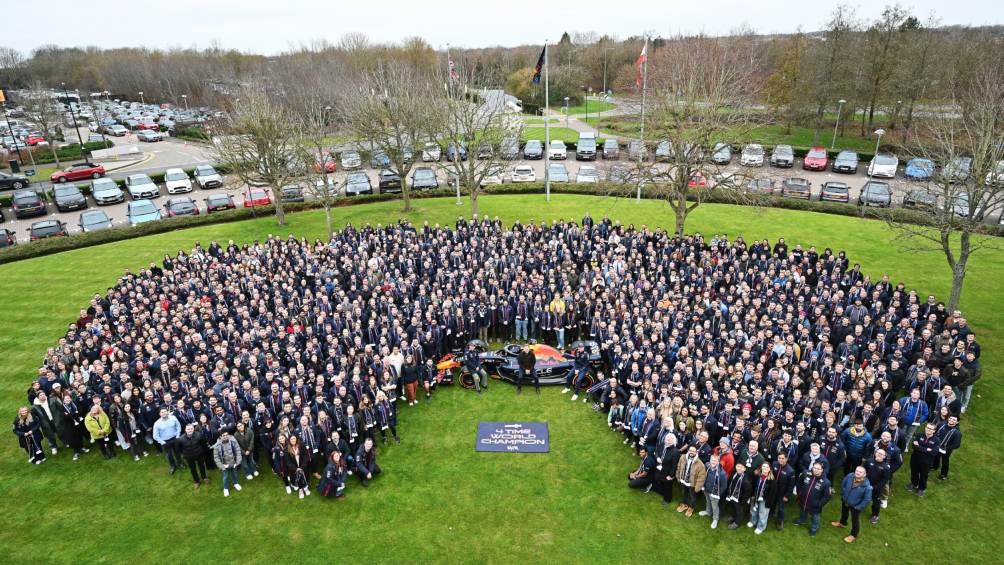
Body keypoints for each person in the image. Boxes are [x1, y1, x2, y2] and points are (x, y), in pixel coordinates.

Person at [833, 466, 873, 543]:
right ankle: (842, 523)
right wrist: (843, 494)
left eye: (860, 472)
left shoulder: (867, 487)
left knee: (855, 520)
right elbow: (843, 484)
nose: (857, 472)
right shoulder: (850, 476)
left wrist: (859, 507)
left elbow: (867, 499)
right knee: (844, 512)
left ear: (864, 474)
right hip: (845, 500)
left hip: (856, 506)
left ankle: (853, 535)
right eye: (856, 470)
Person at [794, 461, 832, 536]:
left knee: (815, 517)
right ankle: (802, 520)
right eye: (814, 468)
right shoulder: (805, 473)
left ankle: (814, 528)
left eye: (818, 469)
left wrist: (819, 504)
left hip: (815, 505)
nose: (815, 470)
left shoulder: (826, 482)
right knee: (802, 511)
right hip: (803, 500)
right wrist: (799, 493)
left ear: (822, 470)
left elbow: (827, 496)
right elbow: (799, 483)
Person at [907, 423, 938, 496]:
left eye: (930, 429)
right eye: (927, 427)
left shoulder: (936, 441)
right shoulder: (918, 435)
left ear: (934, 431)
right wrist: (927, 449)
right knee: (914, 472)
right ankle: (914, 483)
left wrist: (919, 447)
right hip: (915, 458)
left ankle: (921, 488)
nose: (928, 429)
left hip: (927, 461)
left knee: (924, 475)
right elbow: (914, 446)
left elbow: (933, 452)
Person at [177, 423, 209, 488]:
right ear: (185, 430)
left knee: (202, 466)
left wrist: (201, 451)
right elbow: (179, 449)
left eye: (191, 428)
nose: (190, 430)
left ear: (193, 429)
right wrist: (184, 454)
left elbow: (203, 443)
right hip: (189, 456)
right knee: (193, 469)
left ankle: (204, 477)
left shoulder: (199, 435)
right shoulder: (181, 439)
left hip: (199, 454)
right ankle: (196, 481)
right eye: (188, 429)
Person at [29, 391, 62, 455]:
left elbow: (60, 408)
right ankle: (53, 447)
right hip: (45, 423)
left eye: (43, 394)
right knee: (50, 435)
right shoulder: (34, 407)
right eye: (41, 395)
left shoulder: (52, 400)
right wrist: (39, 422)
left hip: (56, 419)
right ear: (38, 397)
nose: (43, 395)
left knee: (60, 431)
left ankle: (66, 442)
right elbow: (34, 417)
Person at [698, 453, 726, 528]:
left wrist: (718, 493)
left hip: (714, 493)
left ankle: (715, 519)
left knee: (715, 506)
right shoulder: (707, 466)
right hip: (706, 489)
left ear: (718, 462)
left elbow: (724, 486)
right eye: (712, 460)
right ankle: (708, 512)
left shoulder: (722, 473)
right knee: (708, 501)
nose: (713, 462)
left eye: (715, 461)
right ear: (710, 460)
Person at [213, 429, 243, 497]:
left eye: (227, 435)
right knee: (225, 477)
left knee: (235, 474)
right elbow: (216, 458)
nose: (226, 437)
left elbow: (238, 451)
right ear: (220, 437)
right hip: (224, 465)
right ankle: (225, 488)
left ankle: (236, 484)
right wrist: (222, 466)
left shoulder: (233, 442)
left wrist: (237, 462)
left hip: (233, 462)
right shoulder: (217, 446)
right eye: (224, 436)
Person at [770, 452, 796, 531]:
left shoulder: (790, 471)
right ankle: (771, 513)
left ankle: (780, 522)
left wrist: (787, 496)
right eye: (779, 458)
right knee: (772, 503)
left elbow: (791, 486)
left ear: (786, 459)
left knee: (781, 508)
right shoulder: (774, 464)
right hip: (773, 490)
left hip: (782, 493)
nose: (780, 460)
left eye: (782, 458)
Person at [865, 449, 892, 524]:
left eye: (882, 454)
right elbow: (864, 471)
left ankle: (875, 515)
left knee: (876, 502)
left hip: (877, 488)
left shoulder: (886, 467)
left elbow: (884, 481)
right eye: (878, 453)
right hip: (866, 485)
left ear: (884, 457)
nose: (879, 455)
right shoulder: (869, 461)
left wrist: (874, 487)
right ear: (875, 453)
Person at [932, 415, 962, 481]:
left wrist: (947, 448)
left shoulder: (957, 433)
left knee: (945, 462)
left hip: (946, 450)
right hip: (937, 446)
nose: (951, 420)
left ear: (957, 422)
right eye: (950, 418)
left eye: (954, 420)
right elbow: (935, 432)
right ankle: (934, 466)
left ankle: (943, 475)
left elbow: (956, 445)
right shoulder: (941, 424)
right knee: (936, 456)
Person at [653, 434, 681, 506]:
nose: (668, 440)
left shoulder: (675, 452)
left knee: (667, 486)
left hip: (667, 472)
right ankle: (662, 492)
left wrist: (671, 476)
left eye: (670, 439)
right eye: (667, 438)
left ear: (673, 441)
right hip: (659, 468)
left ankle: (667, 499)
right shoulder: (662, 445)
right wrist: (657, 458)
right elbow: (656, 452)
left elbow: (674, 465)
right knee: (659, 481)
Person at [152, 408, 181, 474]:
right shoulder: (157, 423)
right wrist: (162, 442)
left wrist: (177, 436)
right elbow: (155, 436)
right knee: (169, 455)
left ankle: (180, 463)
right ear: (160, 414)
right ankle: (173, 466)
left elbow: (178, 426)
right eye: (162, 412)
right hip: (165, 441)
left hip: (174, 438)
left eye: (165, 411)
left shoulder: (173, 418)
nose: (164, 413)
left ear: (168, 412)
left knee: (177, 452)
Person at [749, 461, 775, 535]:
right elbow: (754, 486)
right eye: (763, 466)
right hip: (755, 497)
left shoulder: (772, 480)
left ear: (770, 469)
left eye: (767, 467)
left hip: (765, 500)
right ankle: (753, 521)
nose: (765, 468)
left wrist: (768, 503)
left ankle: (760, 527)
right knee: (753, 510)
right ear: (761, 468)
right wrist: (752, 495)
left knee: (762, 513)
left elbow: (772, 494)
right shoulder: (758, 476)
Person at [725, 461, 751, 530]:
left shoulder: (746, 480)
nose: (739, 468)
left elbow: (747, 493)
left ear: (744, 469)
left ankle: (737, 522)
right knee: (733, 507)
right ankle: (733, 516)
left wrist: (742, 502)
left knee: (739, 510)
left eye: (741, 467)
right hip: (732, 495)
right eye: (738, 466)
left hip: (740, 499)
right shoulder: (734, 473)